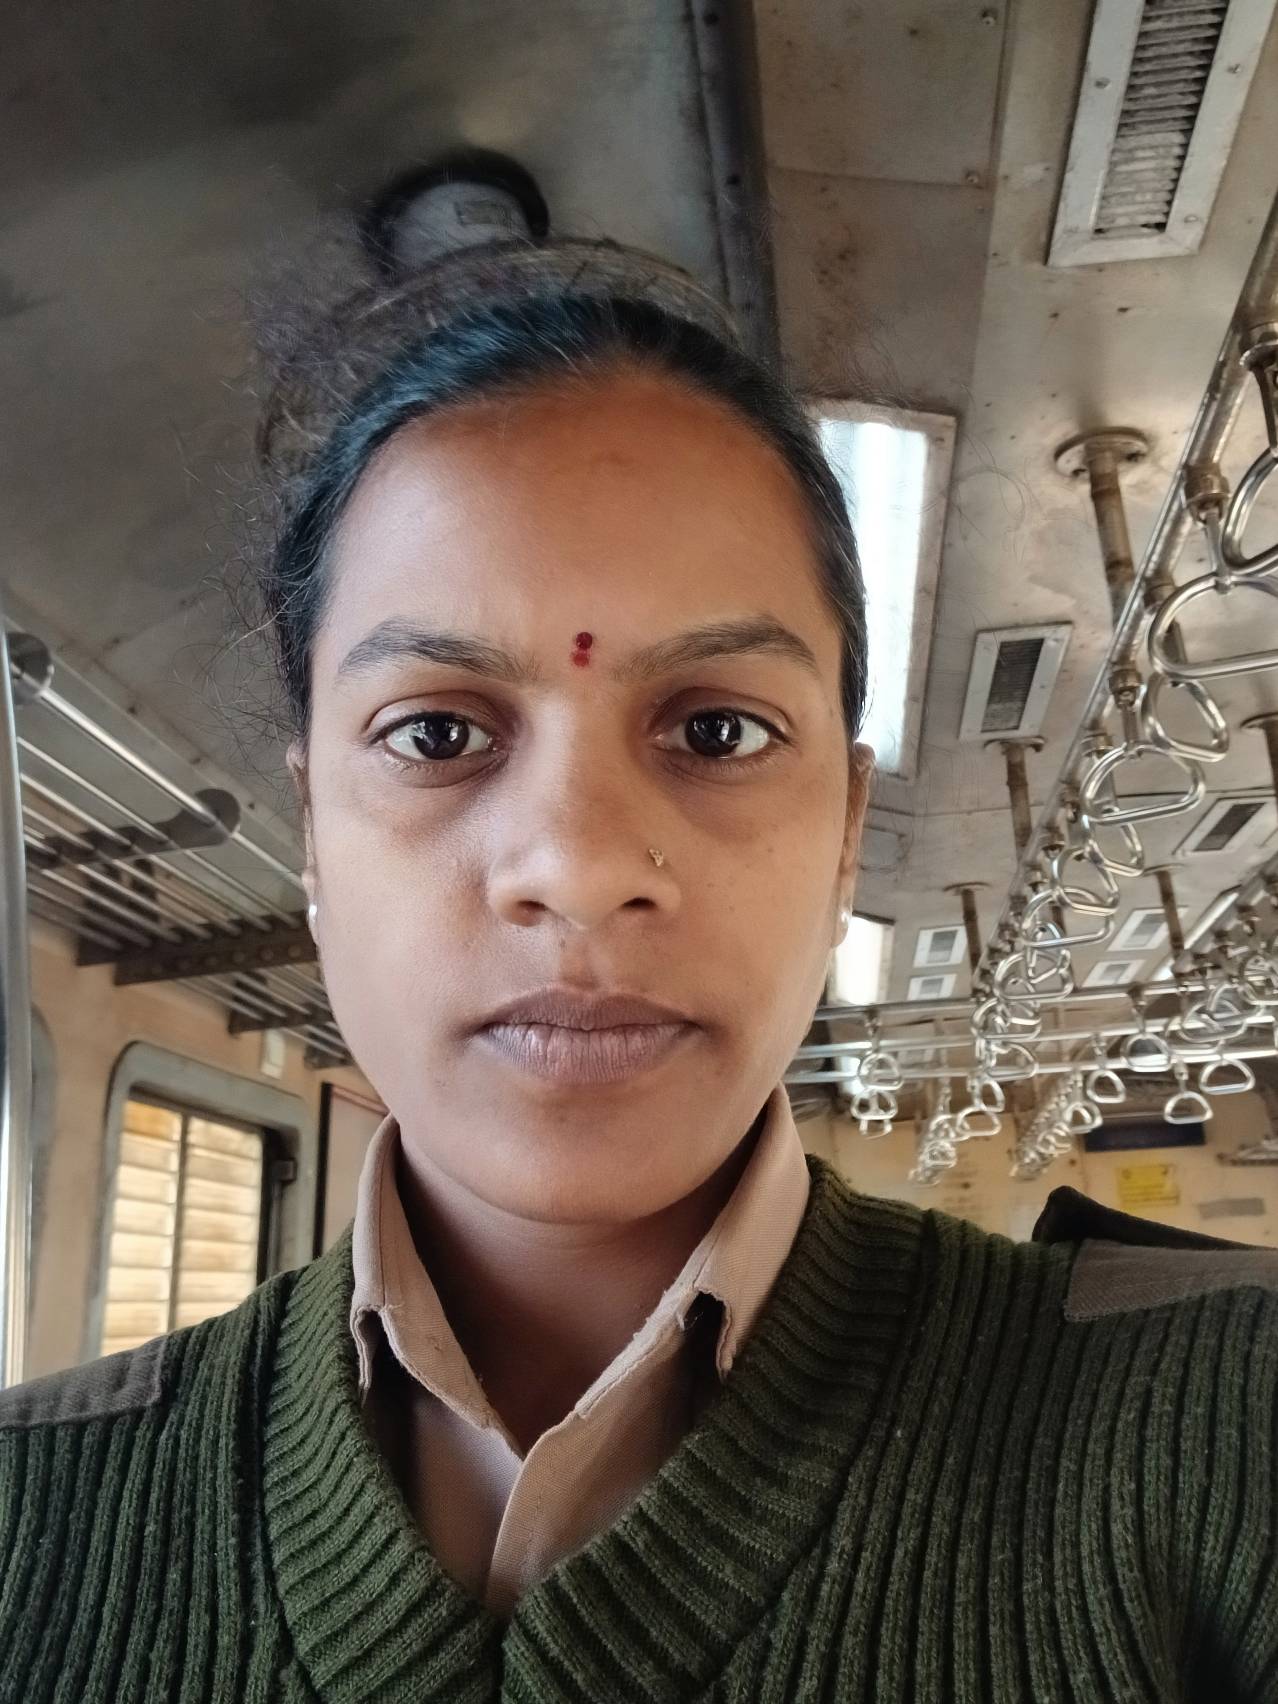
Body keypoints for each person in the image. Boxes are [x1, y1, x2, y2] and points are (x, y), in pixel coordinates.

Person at [2, 252, 1277, 1704]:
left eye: (717, 731)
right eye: (436, 734)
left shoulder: (1224, 1432)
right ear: (310, 833)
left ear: (846, 833)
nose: (578, 865)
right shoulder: (31, 1519)